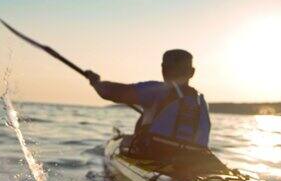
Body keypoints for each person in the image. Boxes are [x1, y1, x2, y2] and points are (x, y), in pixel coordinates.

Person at [84, 49, 213, 172]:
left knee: (124, 140)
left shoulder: (156, 91)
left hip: (151, 155)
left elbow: (110, 93)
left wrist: (96, 82)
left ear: (163, 69)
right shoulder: (200, 101)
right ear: (192, 72)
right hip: (193, 159)